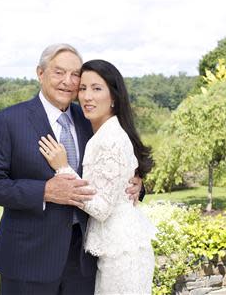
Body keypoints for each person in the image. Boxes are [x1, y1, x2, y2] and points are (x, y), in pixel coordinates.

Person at [0, 44, 144, 295]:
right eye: (58, 72)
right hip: (28, 260)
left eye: (75, 74)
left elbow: (116, 168)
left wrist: (137, 185)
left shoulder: (90, 119)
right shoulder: (10, 120)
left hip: (83, 261)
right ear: (40, 73)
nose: (68, 81)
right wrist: (44, 191)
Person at [39, 59, 158, 294]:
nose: (87, 96)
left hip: (123, 256)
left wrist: (63, 168)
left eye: (96, 88)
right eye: (82, 88)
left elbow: (102, 209)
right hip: (113, 252)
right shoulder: (100, 130)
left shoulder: (111, 138)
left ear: (114, 97)